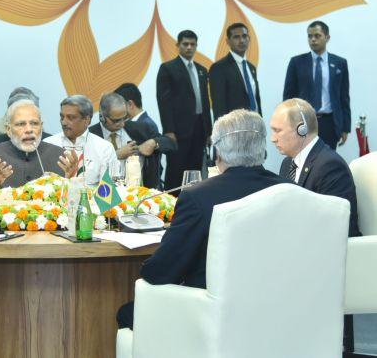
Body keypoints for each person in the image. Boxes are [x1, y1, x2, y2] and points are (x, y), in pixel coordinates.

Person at [116, 109, 288, 330]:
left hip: (212, 318)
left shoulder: (198, 197)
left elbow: (159, 273)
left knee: (127, 313)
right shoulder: (289, 191)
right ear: (262, 148)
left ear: (218, 152)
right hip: (276, 316)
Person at [270, 98, 360, 237]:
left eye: (278, 131)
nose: (273, 138)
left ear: (302, 129)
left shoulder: (330, 166)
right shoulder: (287, 163)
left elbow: (337, 227)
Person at [156, 30, 212, 191]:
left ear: (196, 46)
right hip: (178, 132)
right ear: (178, 45)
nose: (189, 47)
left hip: (199, 130)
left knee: (195, 173)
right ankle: (172, 207)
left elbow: (206, 103)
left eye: (192, 44)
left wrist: (208, 131)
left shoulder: (202, 70)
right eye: (185, 44)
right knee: (176, 171)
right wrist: (169, 130)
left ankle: (192, 203)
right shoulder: (168, 68)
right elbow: (163, 102)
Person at [283, 21, 350, 150]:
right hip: (304, 121)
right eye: (310, 36)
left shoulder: (340, 63)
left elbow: (344, 97)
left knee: (328, 163)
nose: (313, 39)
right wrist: (289, 124)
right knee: (304, 162)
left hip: (330, 122)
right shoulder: (297, 62)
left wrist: (345, 128)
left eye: (317, 36)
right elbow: (288, 98)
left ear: (327, 37)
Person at [0, 99, 78, 188]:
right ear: (8, 130)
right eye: (21, 124)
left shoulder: (61, 157)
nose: (29, 130)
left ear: (41, 127)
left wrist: (69, 180)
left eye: (34, 123)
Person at [44, 95, 117, 186]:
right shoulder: (48, 144)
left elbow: (110, 189)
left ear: (87, 120)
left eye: (70, 118)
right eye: (62, 117)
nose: (64, 122)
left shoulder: (104, 148)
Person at [115, 83, 177, 189]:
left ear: (130, 104)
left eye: (118, 106)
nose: (115, 110)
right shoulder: (142, 122)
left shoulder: (145, 125)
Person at [209, 23, 262, 119]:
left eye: (244, 36)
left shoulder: (251, 68)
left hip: (255, 124)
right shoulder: (219, 68)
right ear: (228, 41)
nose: (241, 40)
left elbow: (255, 99)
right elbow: (219, 106)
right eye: (236, 37)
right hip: (234, 128)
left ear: (249, 39)